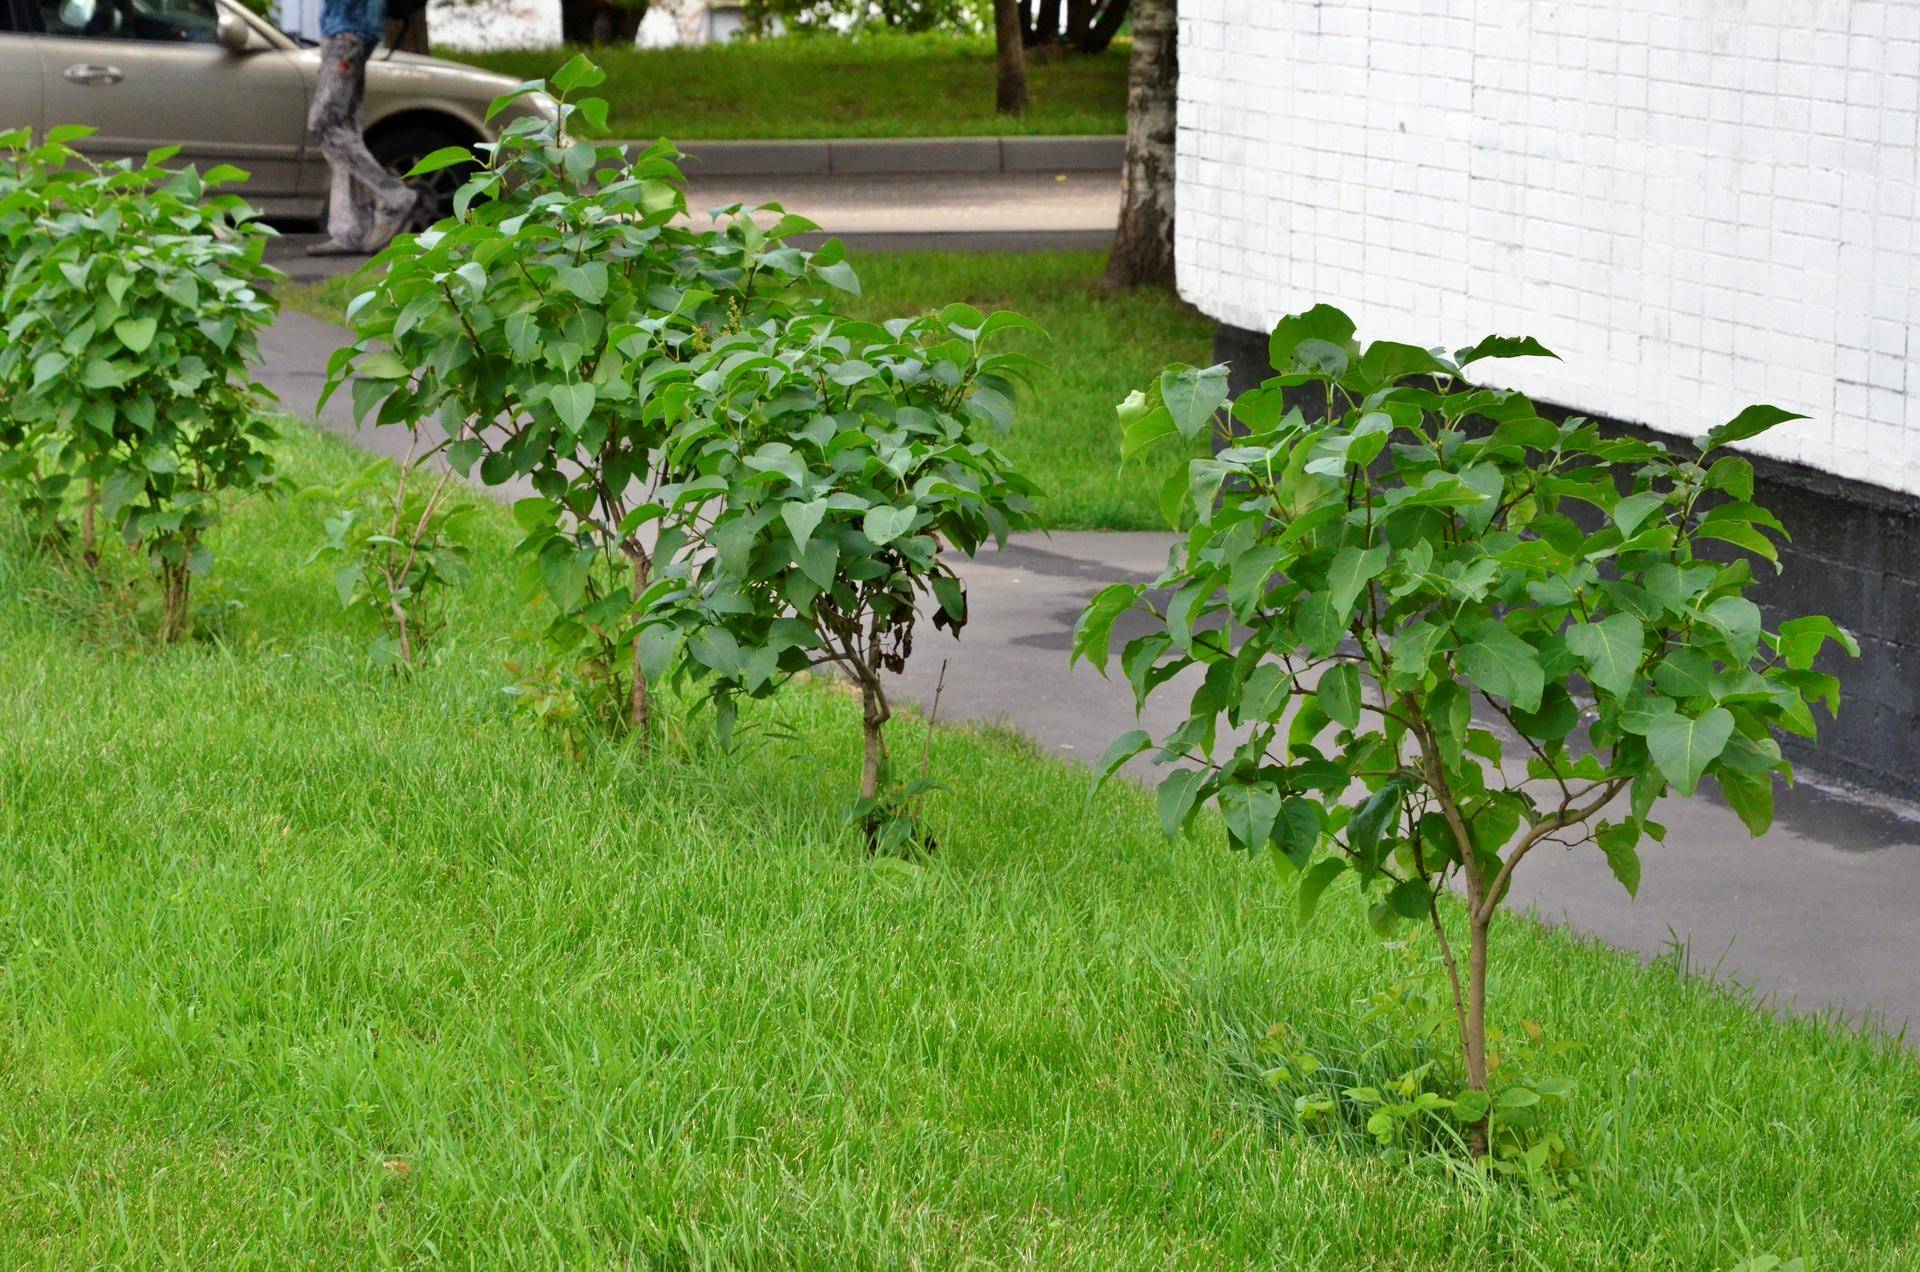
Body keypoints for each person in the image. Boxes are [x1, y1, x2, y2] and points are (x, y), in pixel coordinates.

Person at [305, 0, 418, 256]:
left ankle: (393, 197)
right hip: (346, 30)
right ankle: (351, 230)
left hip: (349, 31)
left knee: (325, 124)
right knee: (344, 128)